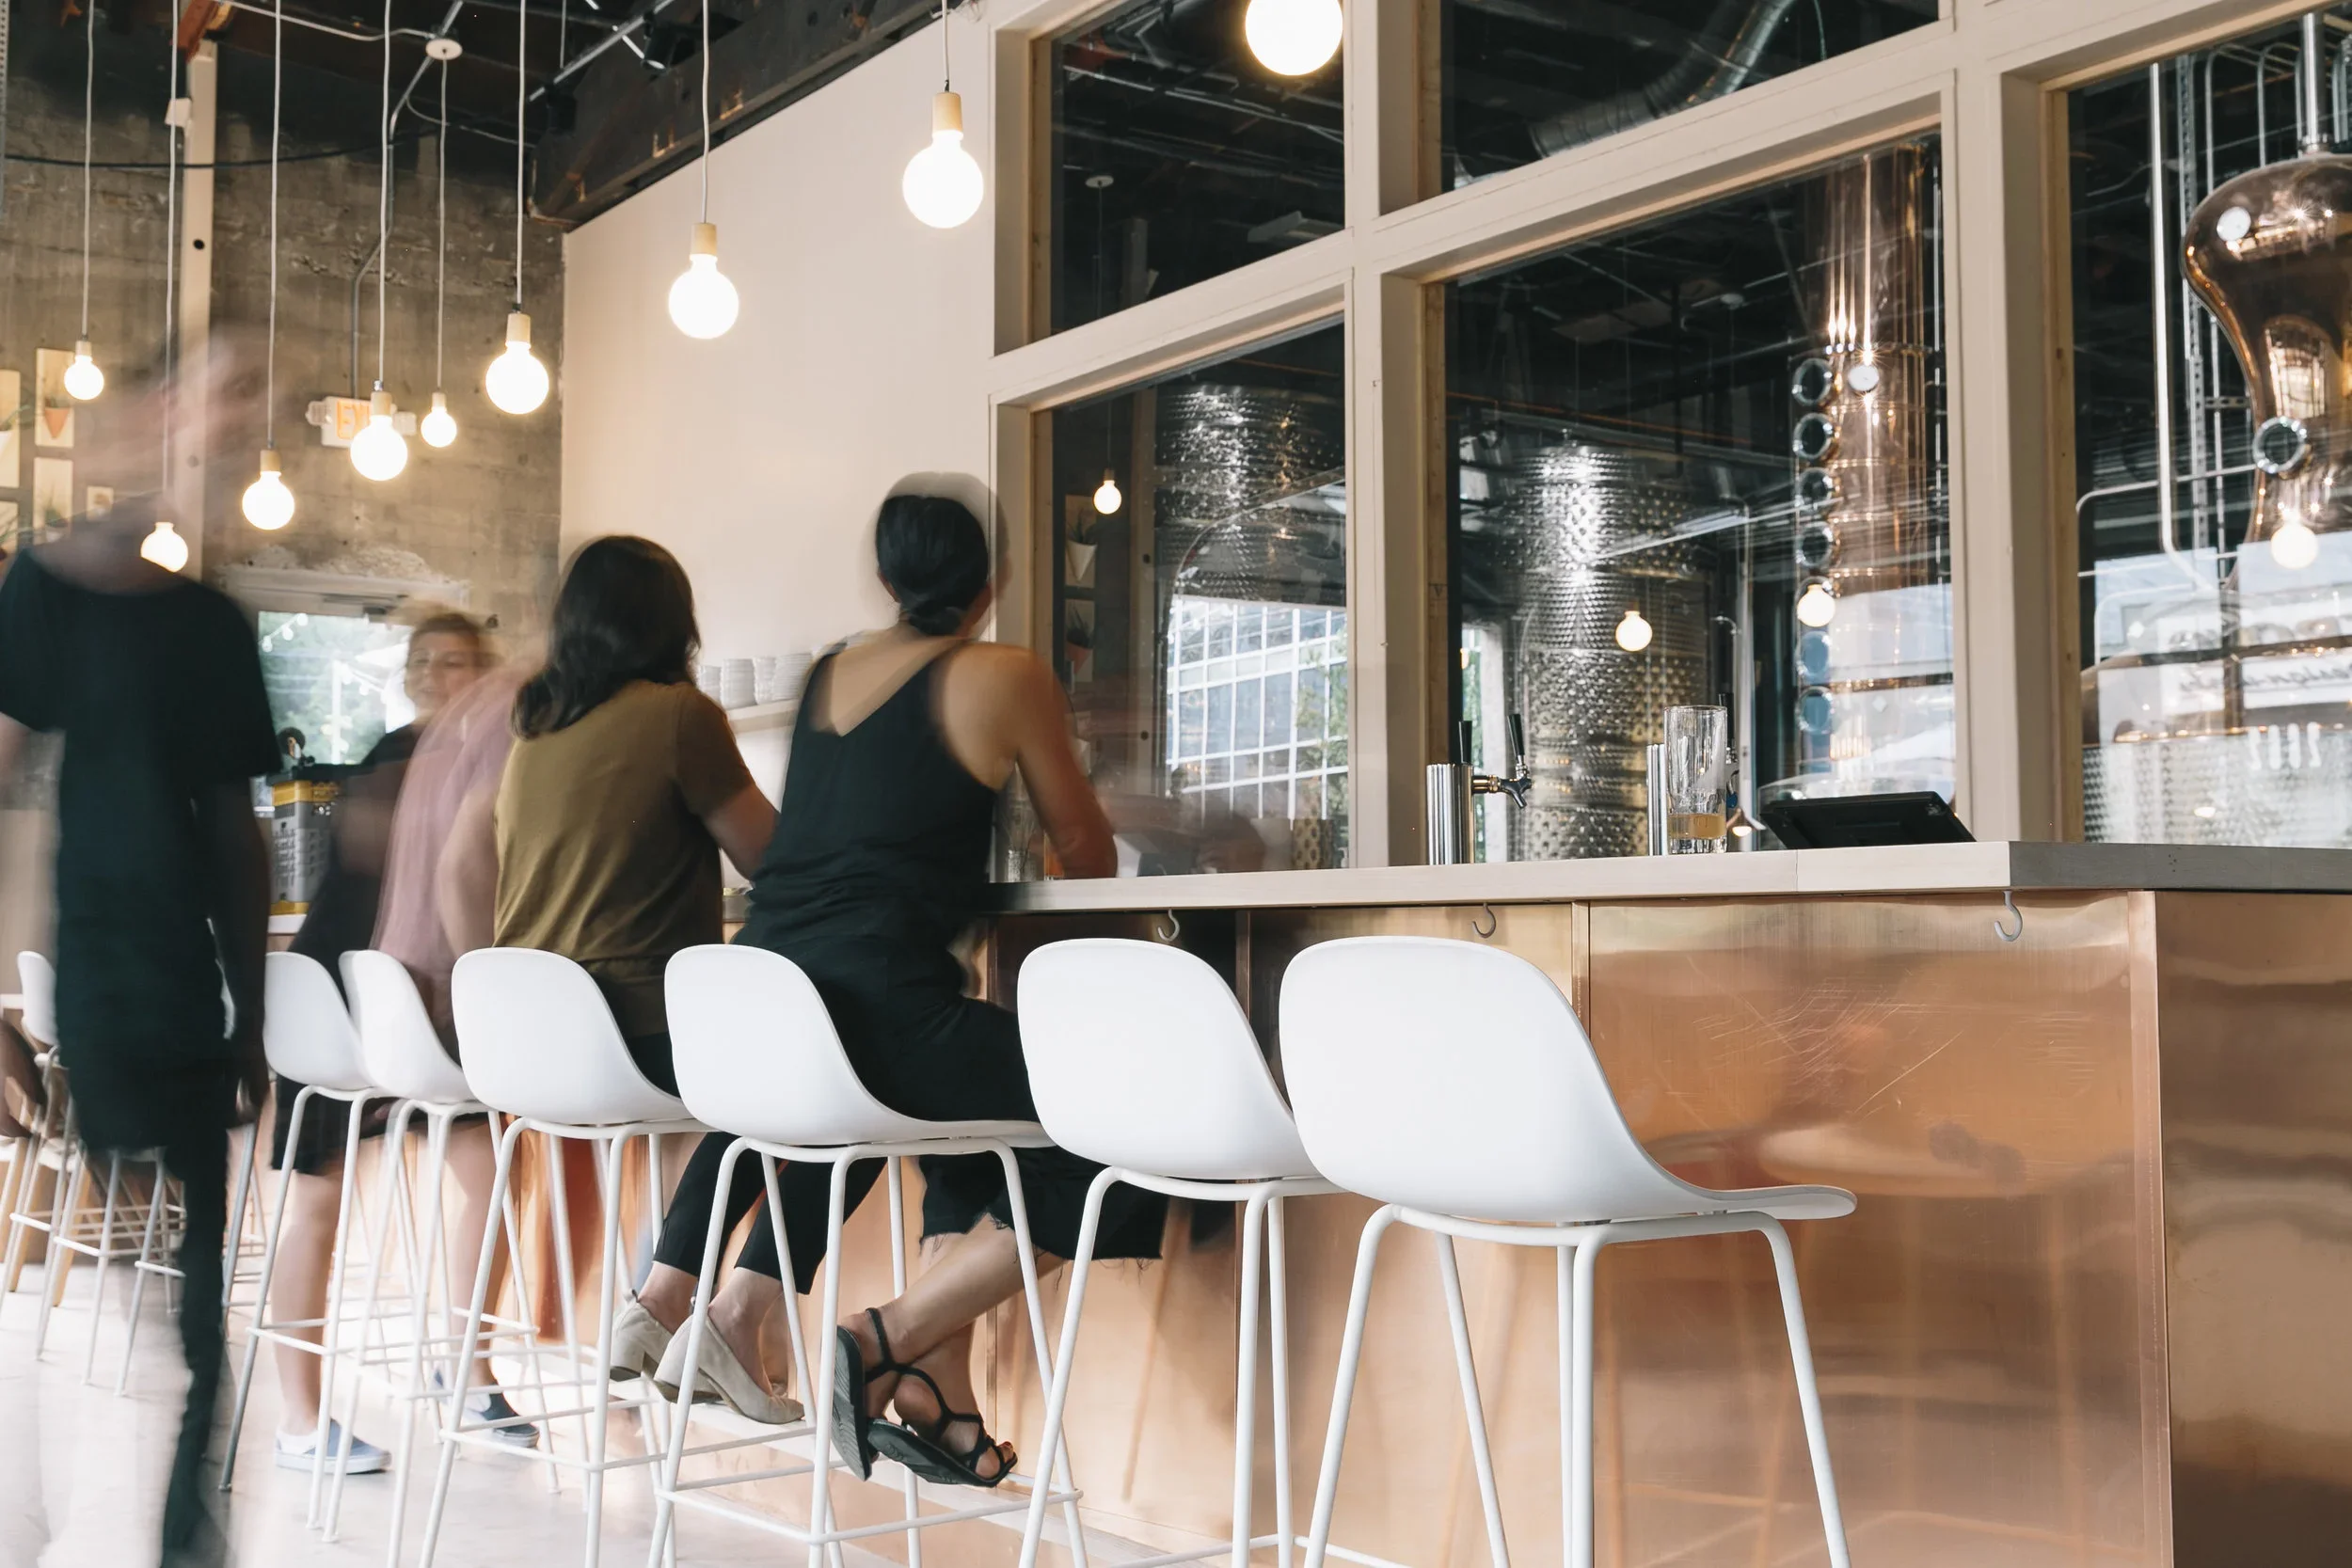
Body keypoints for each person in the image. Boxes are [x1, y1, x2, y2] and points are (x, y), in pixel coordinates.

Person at [624, 491, 1160, 1485]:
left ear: (883, 579)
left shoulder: (832, 666)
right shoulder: (1005, 671)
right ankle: (886, 1334)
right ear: (990, 583)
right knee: (1125, 1132)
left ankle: (936, 1389)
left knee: (970, 1116)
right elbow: (1083, 848)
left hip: (780, 1001)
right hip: (884, 1011)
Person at [0, 483, 277, 1562]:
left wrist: (249, 1018)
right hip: (119, 980)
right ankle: (153, 1524)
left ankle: (174, 1526)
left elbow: (239, 830)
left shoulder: (206, 624)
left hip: (166, 984)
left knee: (191, 1292)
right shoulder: (51, 594)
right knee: (176, 1291)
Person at [467, 537, 782, 1412]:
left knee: (712, 1111)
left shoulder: (534, 733)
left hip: (529, 1055)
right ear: (672, 622)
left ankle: (654, 1315)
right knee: (781, 1101)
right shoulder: (680, 715)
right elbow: (775, 858)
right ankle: (682, 1312)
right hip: (634, 1040)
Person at [264, 611, 537, 1472]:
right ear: (416, 677)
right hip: (350, 997)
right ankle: (300, 1420)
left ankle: (466, 1365)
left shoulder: (486, 751)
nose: (453, 675)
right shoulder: (406, 755)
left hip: (415, 1003)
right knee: (317, 1202)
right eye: (437, 663)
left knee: (490, 1174)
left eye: (468, 662)